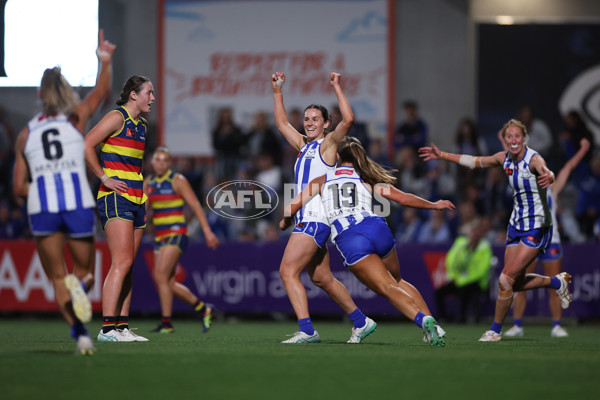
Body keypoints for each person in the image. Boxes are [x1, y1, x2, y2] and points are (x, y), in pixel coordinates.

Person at [280, 137, 455, 346]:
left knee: (387, 288)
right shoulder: (365, 178)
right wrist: (434, 205)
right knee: (397, 281)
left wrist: (285, 222)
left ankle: (422, 319)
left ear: (337, 157)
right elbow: (403, 198)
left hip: (351, 238)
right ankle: (434, 327)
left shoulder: (322, 180)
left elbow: (292, 207)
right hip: (377, 228)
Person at [419, 119, 573, 342]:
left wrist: (549, 175)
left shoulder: (534, 159)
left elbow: (546, 170)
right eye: (509, 136)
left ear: (524, 138)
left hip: (537, 225)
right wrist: (442, 155)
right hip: (516, 224)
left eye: (517, 136)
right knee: (514, 282)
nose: (513, 141)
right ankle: (557, 282)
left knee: (505, 279)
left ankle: (495, 330)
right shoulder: (504, 159)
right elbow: (473, 161)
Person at [12, 30, 116, 355]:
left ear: (40, 94)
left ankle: (80, 335)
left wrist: (41, 186)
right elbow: (102, 90)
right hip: (77, 203)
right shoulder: (76, 118)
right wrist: (105, 59)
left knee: (58, 277)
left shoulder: (26, 133)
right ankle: (81, 290)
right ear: (66, 91)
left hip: (42, 208)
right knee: (83, 274)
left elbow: (17, 188)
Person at [272, 71, 375, 344]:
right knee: (322, 278)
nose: (309, 123)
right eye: (306, 119)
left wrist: (337, 87)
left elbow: (350, 119)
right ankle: (361, 322)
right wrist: (278, 90)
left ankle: (307, 331)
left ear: (327, 124)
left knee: (287, 271)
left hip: (316, 218)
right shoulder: (303, 146)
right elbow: (282, 122)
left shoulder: (327, 145)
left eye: (315, 119)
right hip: (310, 217)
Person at [84, 75, 155, 342]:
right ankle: (107, 329)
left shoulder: (142, 125)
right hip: (116, 197)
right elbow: (87, 144)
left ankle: (122, 327)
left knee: (128, 265)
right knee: (121, 262)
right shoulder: (117, 117)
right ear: (133, 95)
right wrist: (104, 178)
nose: (153, 98)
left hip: (137, 197)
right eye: (149, 92)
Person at [505, 138, 590, 338]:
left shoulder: (552, 189)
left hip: (550, 241)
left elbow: (569, 167)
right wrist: (504, 140)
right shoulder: (526, 190)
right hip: (529, 240)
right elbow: (509, 162)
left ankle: (557, 325)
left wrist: (583, 150)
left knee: (554, 285)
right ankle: (517, 326)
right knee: (520, 284)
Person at [144, 147, 220, 333]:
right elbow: (144, 210)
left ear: (169, 163)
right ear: (152, 163)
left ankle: (167, 322)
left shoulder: (177, 180)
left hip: (177, 232)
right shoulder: (148, 182)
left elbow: (195, 205)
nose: (161, 163)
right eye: (158, 160)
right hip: (160, 235)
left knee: (161, 277)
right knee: (167, 282)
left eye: (164, 160)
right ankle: (203, 309)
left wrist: (207, 231)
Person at [435, 217, 493, 323]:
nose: (474, 234)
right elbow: (451, 261)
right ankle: (443, 317)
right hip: (458, 279)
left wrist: (462, 281)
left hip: (477, 282)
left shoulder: (485, 247)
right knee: (439, 292)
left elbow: (482, 271)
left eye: (477, 231)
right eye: (472, 230)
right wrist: (455, 277)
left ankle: (462, 317)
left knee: (465, 289)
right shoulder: (461, 243)